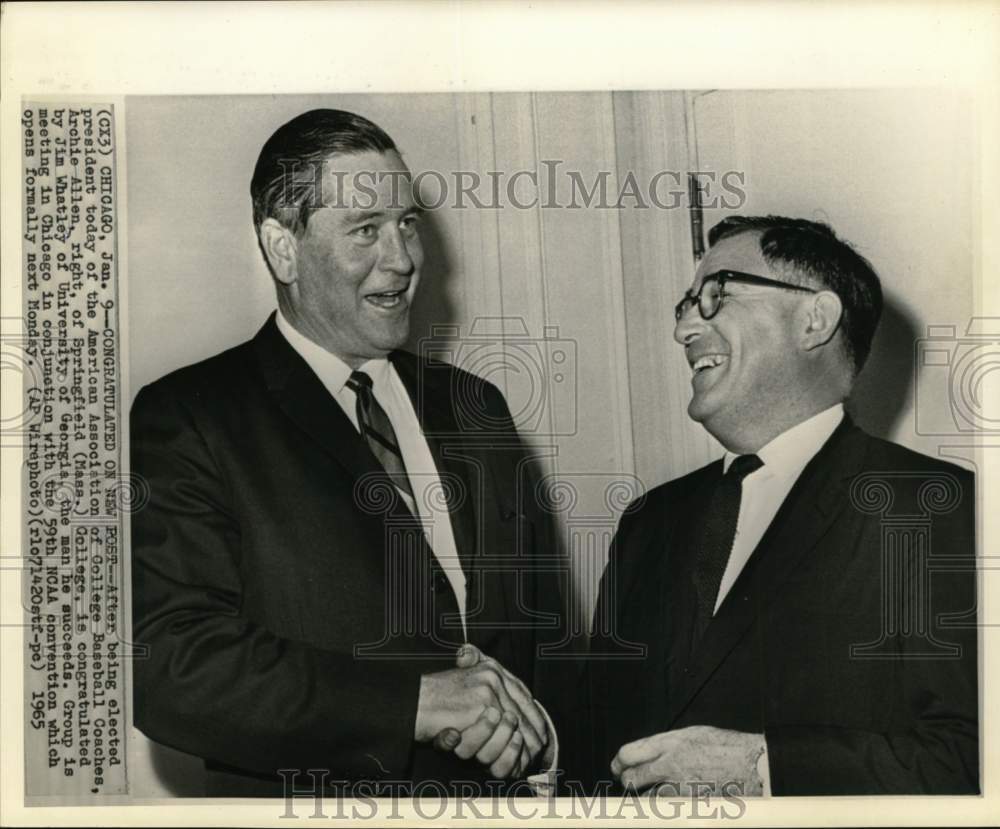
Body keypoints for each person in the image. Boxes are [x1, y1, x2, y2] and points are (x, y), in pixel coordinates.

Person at [130, 109, 562, 796]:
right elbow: (176, 670)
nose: (403, 259)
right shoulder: (192, 416)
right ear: (283, 249)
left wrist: (540, 736)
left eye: (408, 224)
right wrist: (415, 703)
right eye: (366, 230)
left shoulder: (478, 407)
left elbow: (545, 635)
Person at [584, 216, 978, 795]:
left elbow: (971, 762)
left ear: (813, 320)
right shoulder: (649, 520)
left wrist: (763, 770)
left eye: (716, 293)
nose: (685, 328)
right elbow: (600, 740)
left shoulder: (935, 509)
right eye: (686, 304)